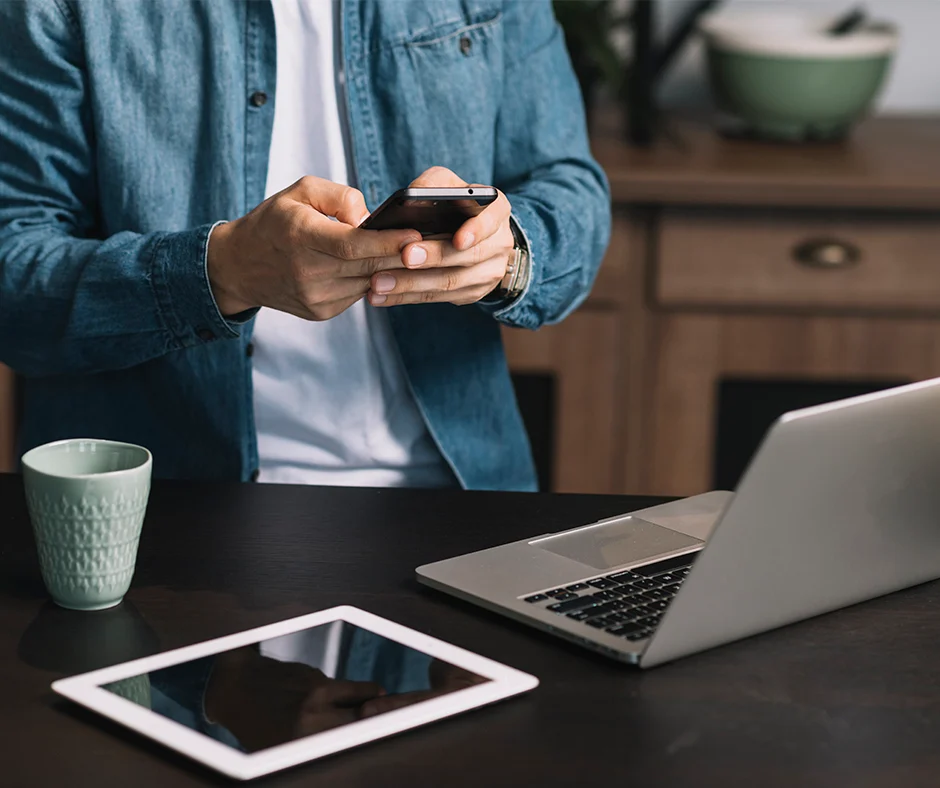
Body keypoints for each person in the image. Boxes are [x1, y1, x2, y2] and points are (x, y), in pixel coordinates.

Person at [0, 0, 610, 492]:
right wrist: (219, 273)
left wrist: (504, 254)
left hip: (453, 498)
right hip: (164, 517)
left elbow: (571, 190)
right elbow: (13, 272)